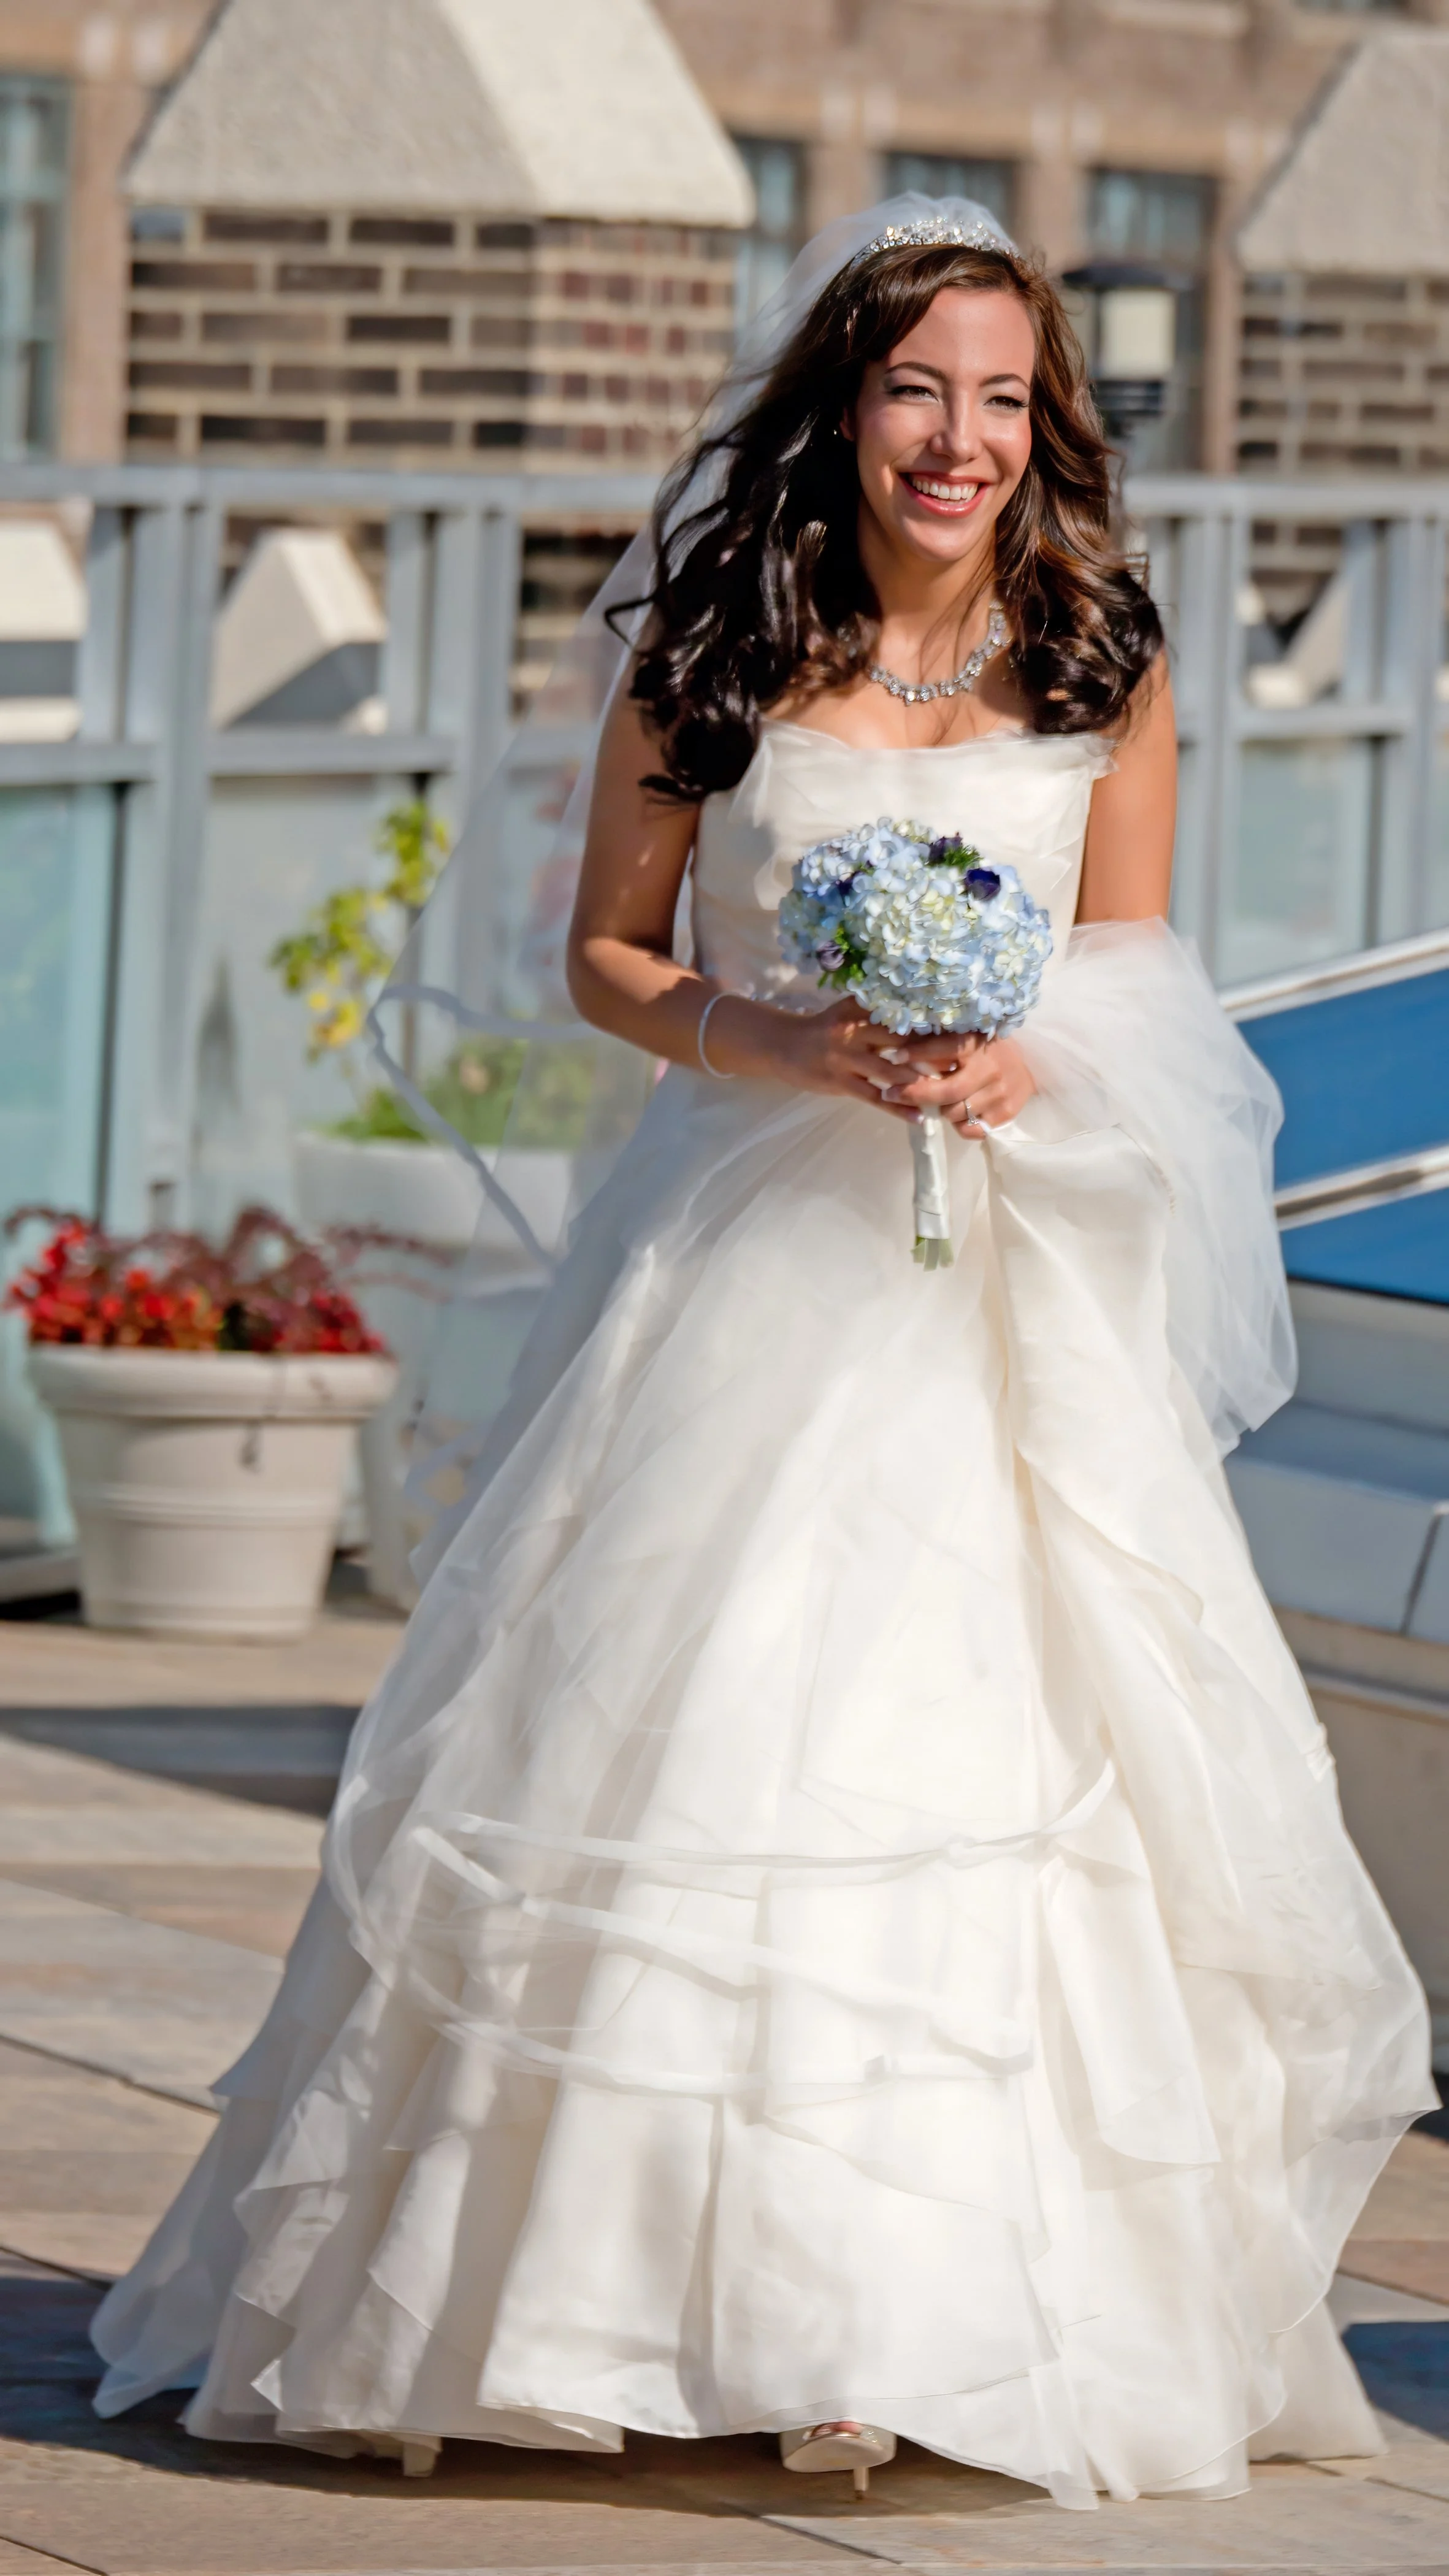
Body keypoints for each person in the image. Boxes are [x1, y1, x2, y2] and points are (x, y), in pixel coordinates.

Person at [91, 199, 1433, 2514]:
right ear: (843, 401)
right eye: (923, 390)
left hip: (1009, 1297)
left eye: (1008, 399)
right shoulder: (717, 643)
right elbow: (606, 958)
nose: (964, 442)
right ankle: (585, 2303)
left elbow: (1138, 970)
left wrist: (1026, 1065)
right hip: (738, 1267)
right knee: (698, 1729)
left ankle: (892, 2331)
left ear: (1049, 425)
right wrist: (784, 1042)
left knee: (988, 1753)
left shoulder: (1104, 649)